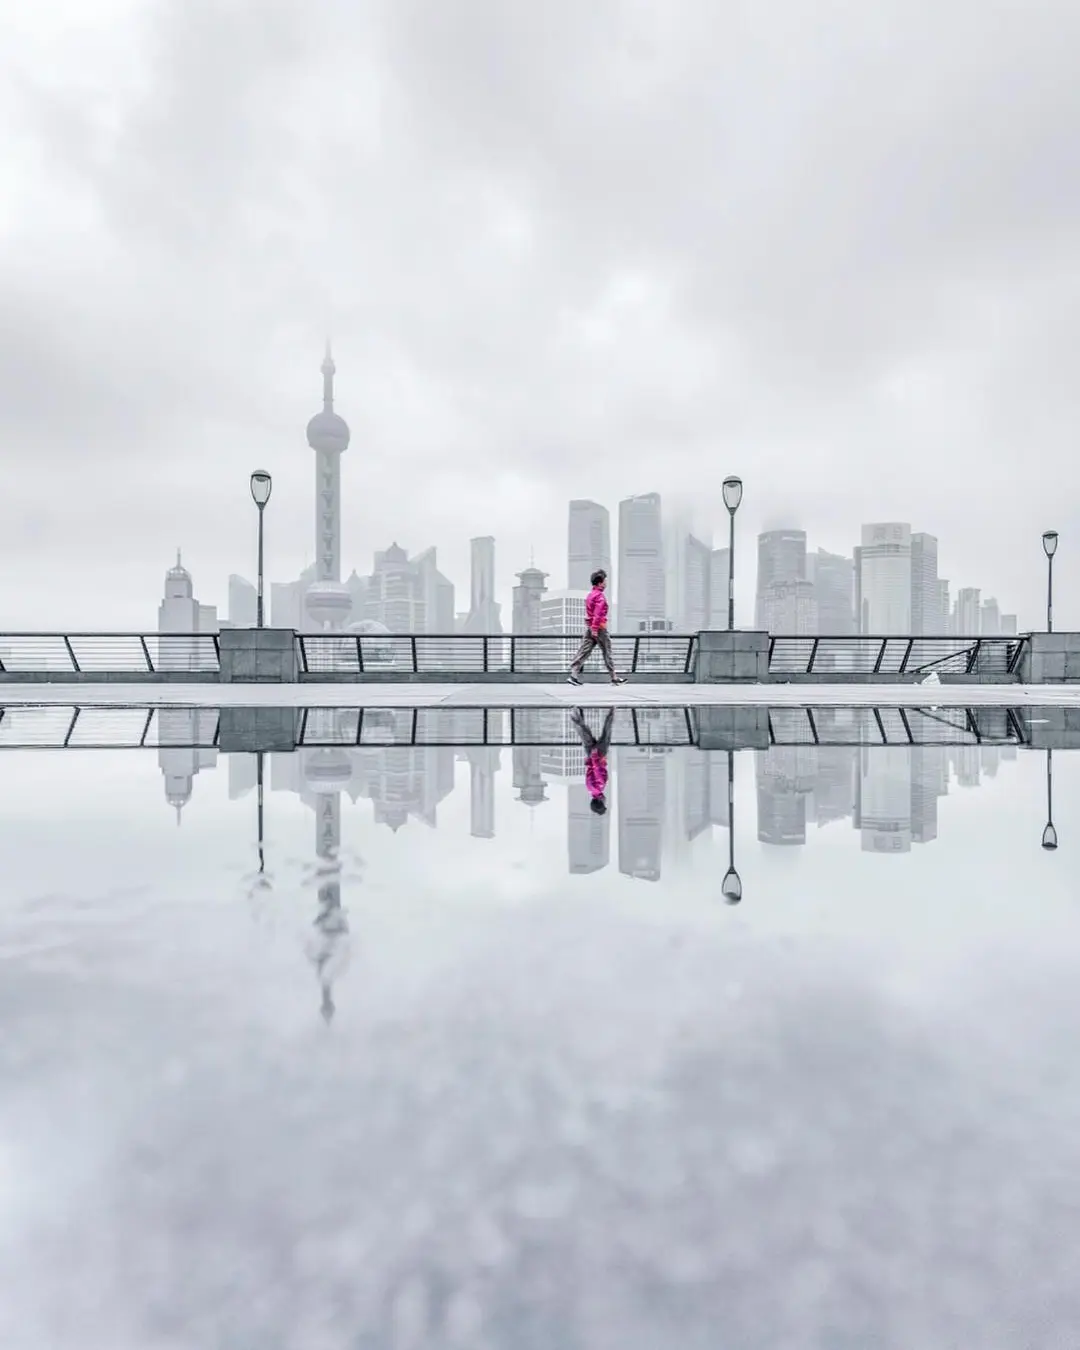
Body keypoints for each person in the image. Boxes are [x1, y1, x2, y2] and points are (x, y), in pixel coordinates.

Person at [567, 569, 626, 685]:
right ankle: (614, 678)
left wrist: (591, 628)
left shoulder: (590, 595)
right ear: (600, 583)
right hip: (599, 628)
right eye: (605, 581)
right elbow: (598, 614)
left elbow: (589, 613)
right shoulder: (600, 597)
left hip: (590, 627)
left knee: (584, 651)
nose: (606, 583)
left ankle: (573, 675)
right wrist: (595, 629)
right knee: (607, 652)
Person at [570, 707, 614, 814]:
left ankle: (612, 711)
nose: (605, 801)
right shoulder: (590, 789)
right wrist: (590, 759)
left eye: (604, 803)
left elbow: (597, 769)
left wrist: (595, 756)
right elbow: (590, 772)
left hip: (598, 755)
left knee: (606, 733)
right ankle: (575, 713)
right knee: (584, 733)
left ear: (600, 801)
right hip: (590, 756)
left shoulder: (599, 788)